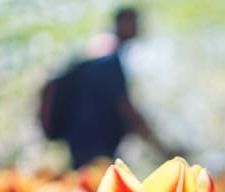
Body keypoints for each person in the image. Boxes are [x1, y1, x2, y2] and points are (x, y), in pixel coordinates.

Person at [61, 7, 176, 168]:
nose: (139, 27)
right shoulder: (108, 61)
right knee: (95, 183)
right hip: (95, 143)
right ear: (122, 23)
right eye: (134, 22)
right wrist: (161, 149)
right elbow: (125, 108)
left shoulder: (101, 56)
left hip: (83, 140)